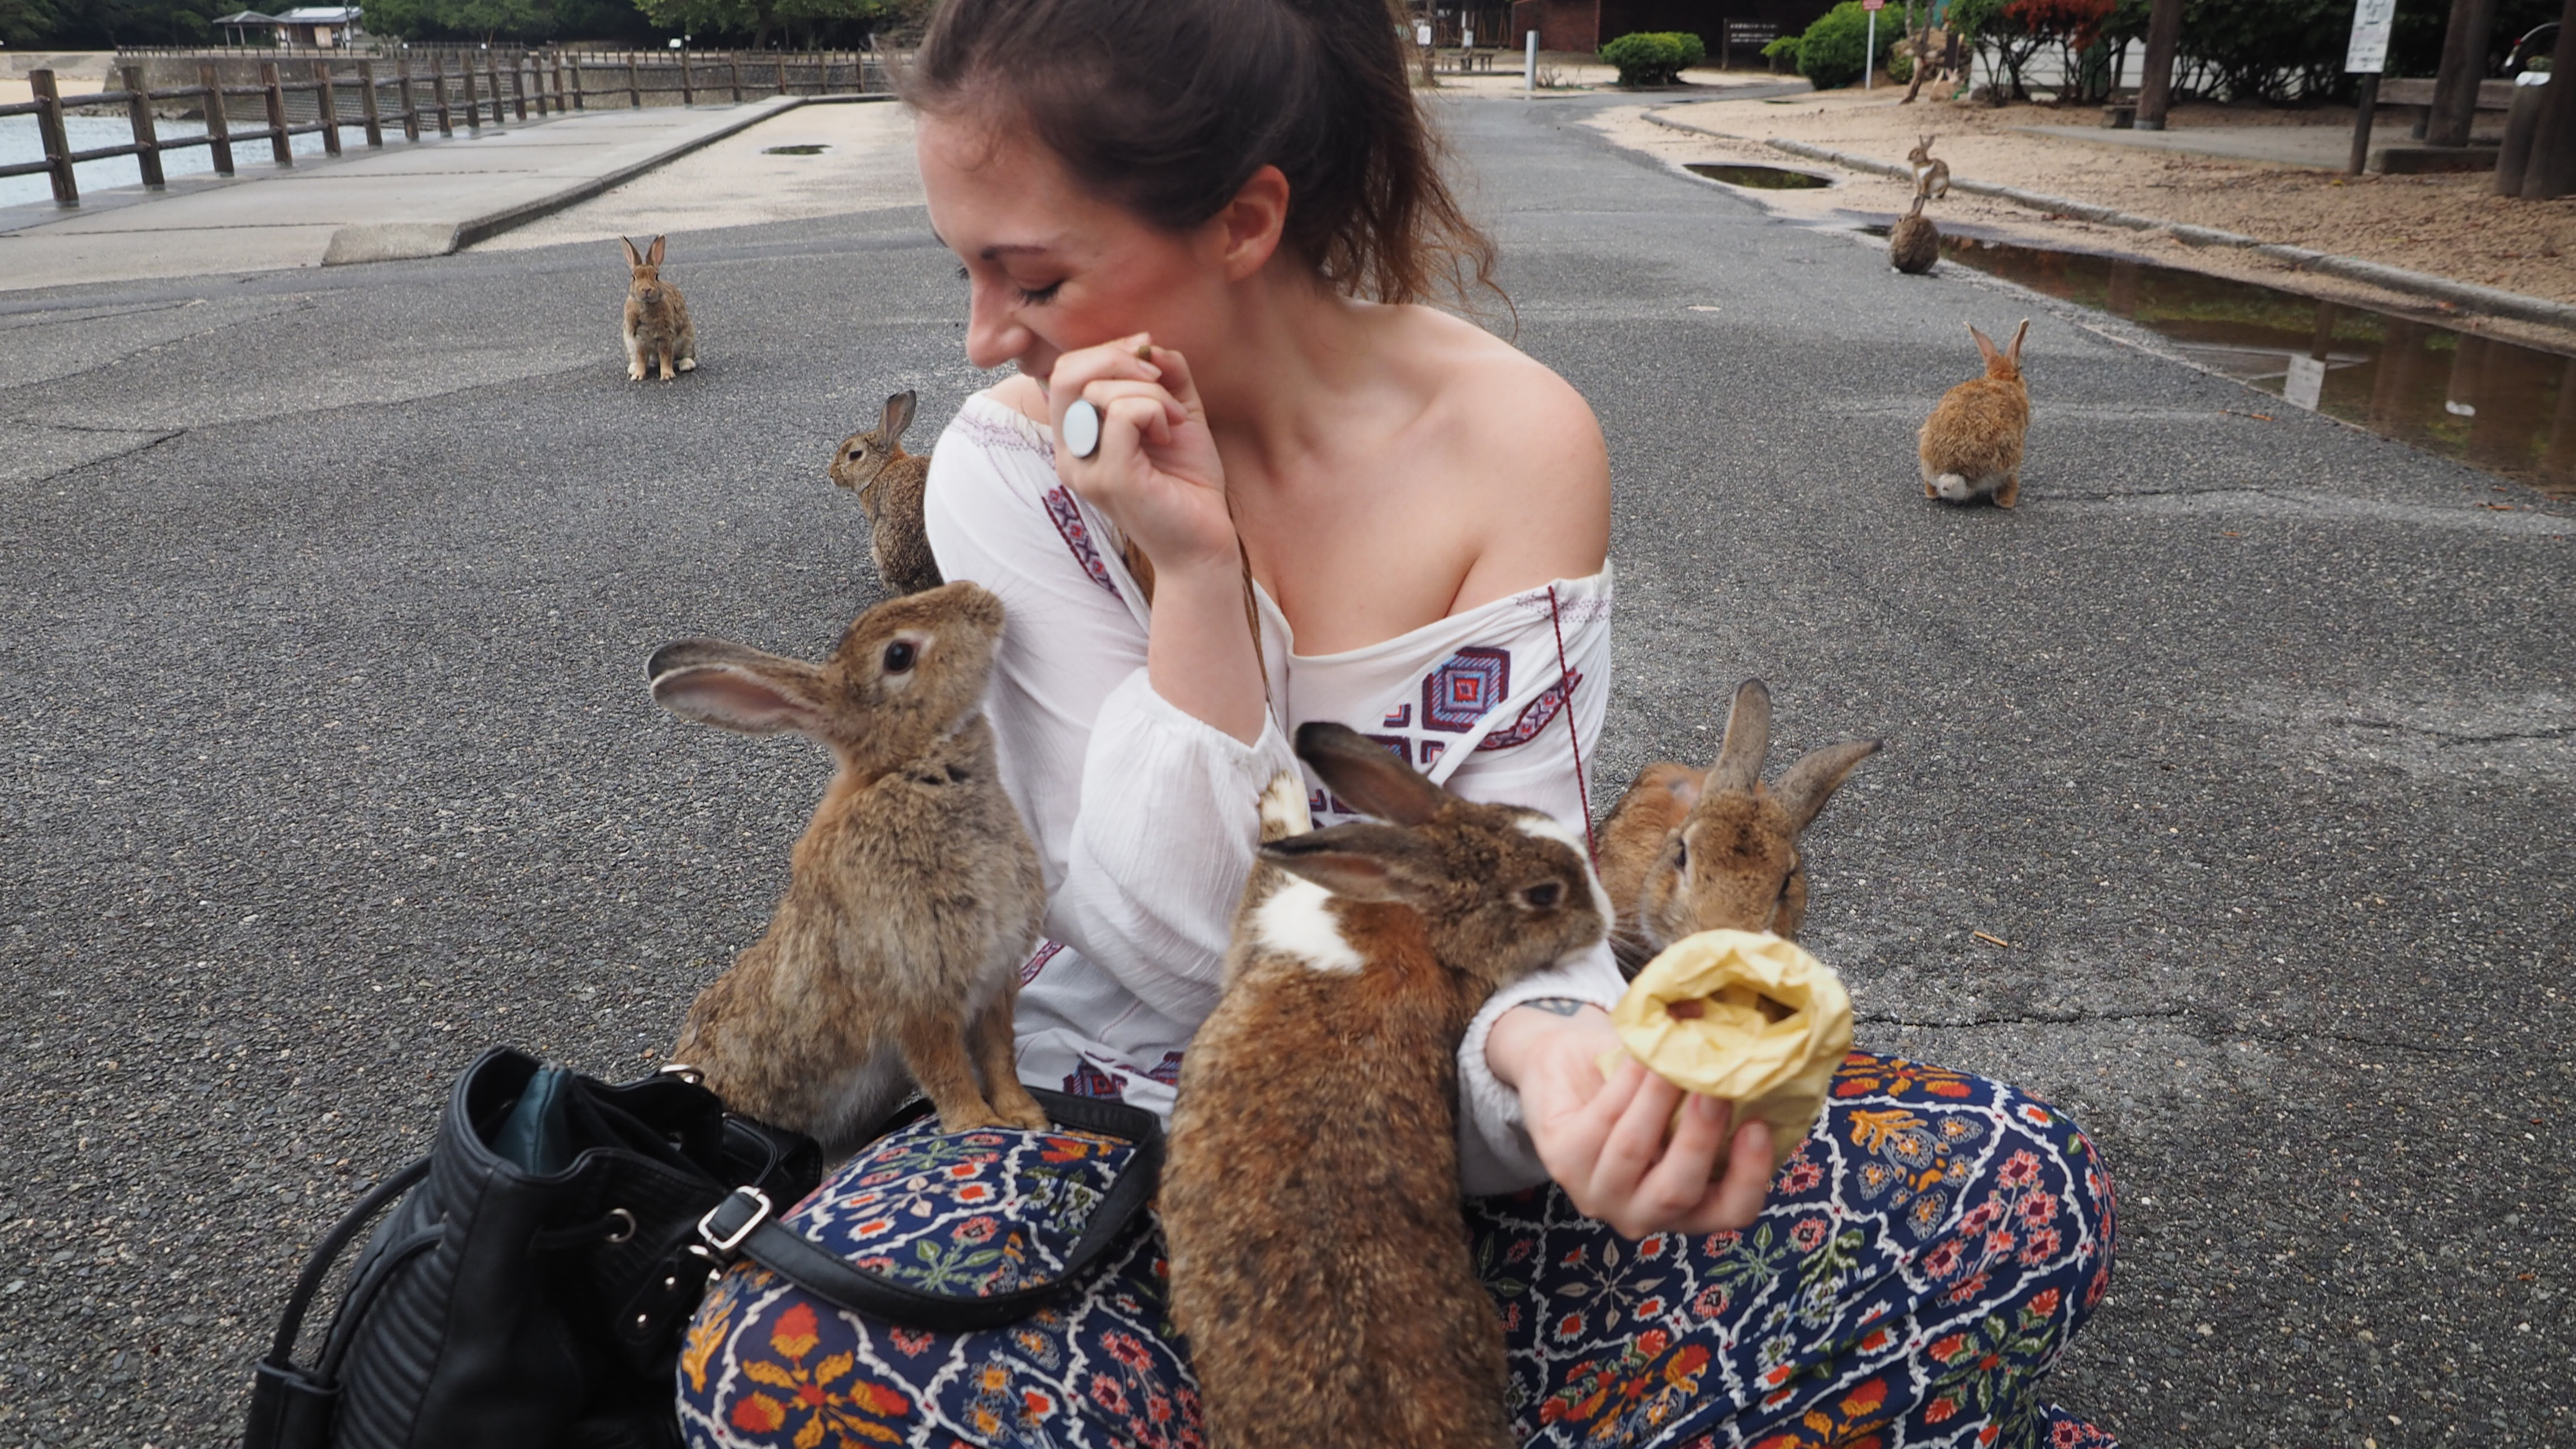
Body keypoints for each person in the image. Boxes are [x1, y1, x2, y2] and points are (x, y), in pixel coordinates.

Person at [678, 1, 2115, 1445]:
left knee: (2012, 1183)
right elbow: (1180, 955)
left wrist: (1555, 1067)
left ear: (1245, 222)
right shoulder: (1009, 469)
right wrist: (1197, 575)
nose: (985, 336)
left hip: (1419, 1150)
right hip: (1109, 1170)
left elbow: (1523, 910)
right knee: (776, 1360)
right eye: (967, 272)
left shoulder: (1518, 446)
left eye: (1030, 279)